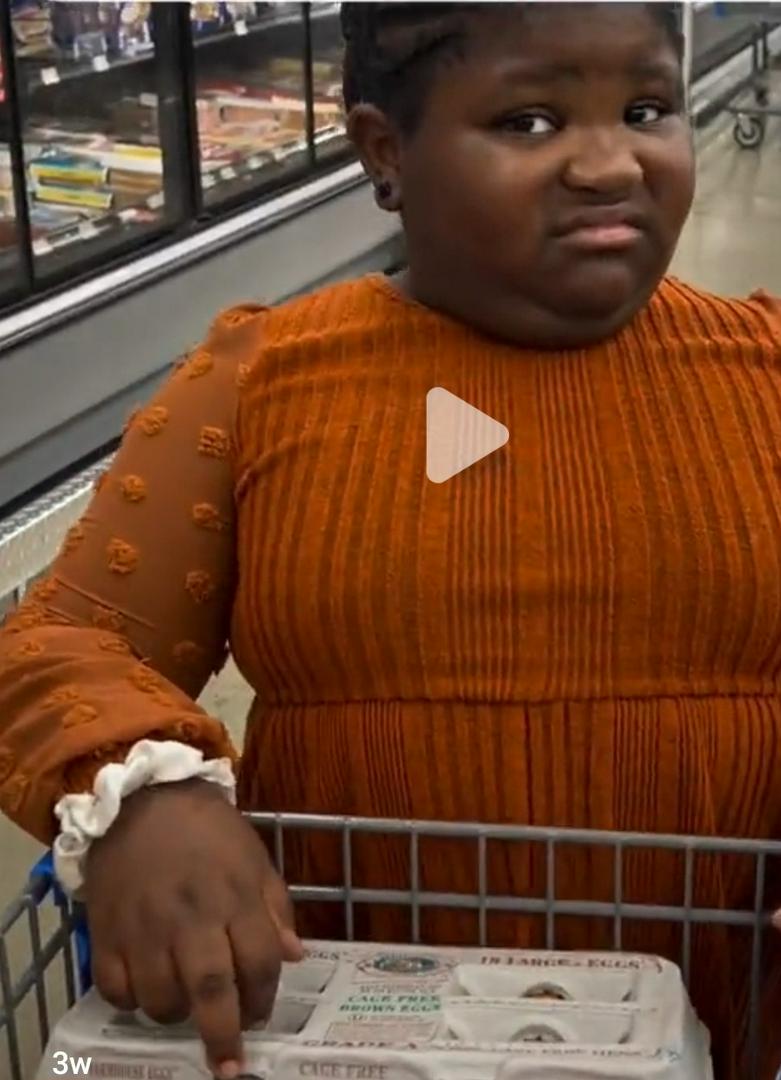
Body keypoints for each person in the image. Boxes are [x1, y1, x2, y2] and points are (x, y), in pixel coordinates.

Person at [1, 3, 780, 1077]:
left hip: (710, 1020)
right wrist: (144, 795)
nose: (610, 166)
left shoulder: (761, 376)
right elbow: (59, 641)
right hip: (346, 1026)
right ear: (385, 152)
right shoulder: (264, 382)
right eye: (529, 121)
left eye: (646, 109)